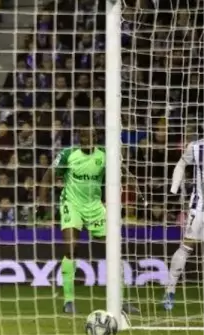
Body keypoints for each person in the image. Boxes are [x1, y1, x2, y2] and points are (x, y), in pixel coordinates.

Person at [39, 123, 141, 314]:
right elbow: (47, 177)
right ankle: (68, 300)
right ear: (79, 138)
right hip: (72, 204)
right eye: (83, 137)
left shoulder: (104, 155)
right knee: (71, 247)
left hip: (95, 206)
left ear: (96, 138)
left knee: (113, 248)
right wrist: (41, 202)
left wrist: (128, 176)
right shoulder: (68, 154)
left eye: (91, 136)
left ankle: (120, 300)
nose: (87, 140)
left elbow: (122, 175)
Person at [164, 139, 204, 310]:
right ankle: (170, 290)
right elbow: (181, 164)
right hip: (200, 206)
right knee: (187, 246)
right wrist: (174, 188)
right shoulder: (196, 147)